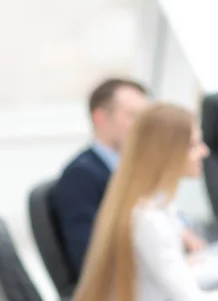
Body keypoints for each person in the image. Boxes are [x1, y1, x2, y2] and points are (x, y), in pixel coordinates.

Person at [73, 103, 218, 301]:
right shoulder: (149, 219)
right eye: (193, 145)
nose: (204, 151)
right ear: (167, 152)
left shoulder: (152, 206)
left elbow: (181, 276)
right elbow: (191, 298)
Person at [50, 78, 206, 277]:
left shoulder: (135, 168)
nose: (143, 126)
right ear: (100, 119)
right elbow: (88, 256)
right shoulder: (80, 176)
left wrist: (180, 232)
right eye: (134, 116)